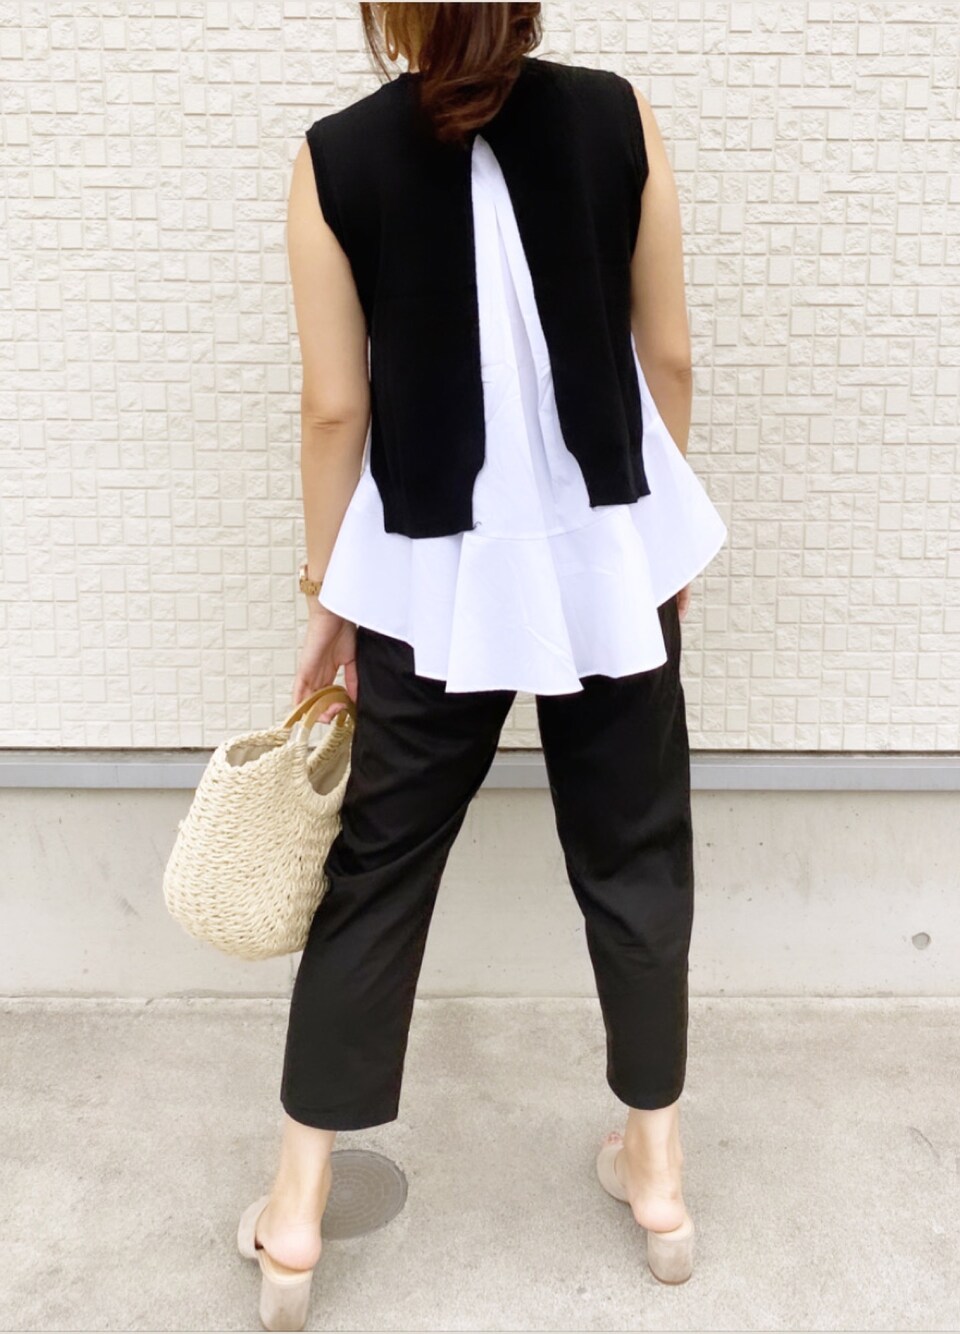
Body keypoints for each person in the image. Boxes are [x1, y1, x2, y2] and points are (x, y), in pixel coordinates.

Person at [236, 3, 727, 1326]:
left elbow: (335, 405)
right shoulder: (618, 115)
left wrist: (326, 594)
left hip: (428, 579)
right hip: (606, 556)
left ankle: (296, 1213)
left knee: (376, 870)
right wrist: (652, 526)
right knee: (636, 850)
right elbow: (669, 352)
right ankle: (659, 1177)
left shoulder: (335, 157)